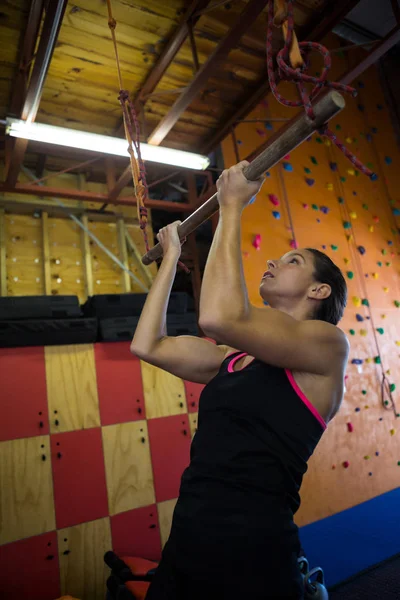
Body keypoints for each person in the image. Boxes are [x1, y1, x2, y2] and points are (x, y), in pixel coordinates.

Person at [131, 161, 350, 599]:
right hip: (188, 539)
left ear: (319, 291)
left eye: (293, 261)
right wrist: (171, 258)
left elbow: (219, 316)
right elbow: (148, 345)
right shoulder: (232, 359)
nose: (273, 261)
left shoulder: (327, 346)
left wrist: (232, 207)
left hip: (253, 552)